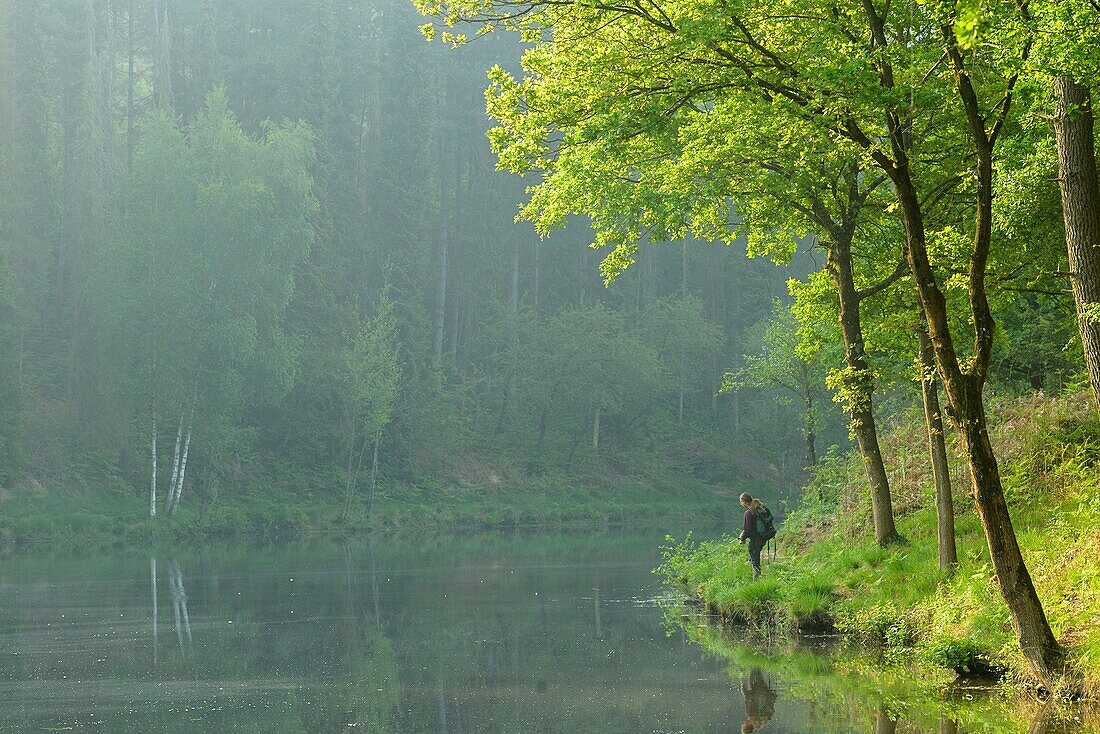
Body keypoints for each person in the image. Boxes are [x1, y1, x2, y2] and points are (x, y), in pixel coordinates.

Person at [738, 492, 767, 579]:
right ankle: (757, 577)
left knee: (755, 560)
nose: (741, 504)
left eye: (741, 502)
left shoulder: (748, 512)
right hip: (763, 537)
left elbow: (747, 530)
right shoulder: (760, 508)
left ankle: (756, 580)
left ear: (744, 501)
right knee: (755, 557)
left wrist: (742, 538)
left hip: (755, 539)